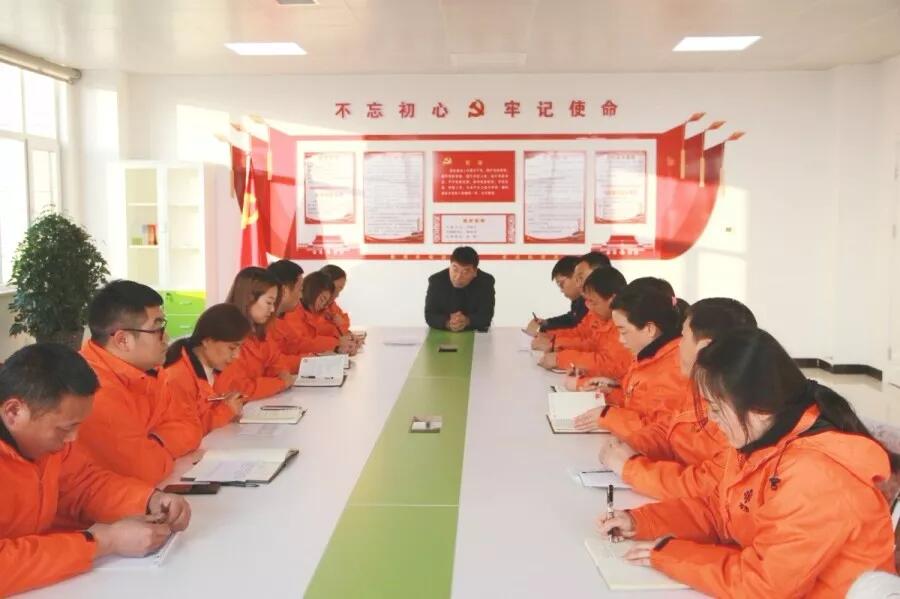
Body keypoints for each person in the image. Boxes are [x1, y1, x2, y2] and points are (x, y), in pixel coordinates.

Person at [598, 328, 897, 598]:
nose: (711, 418)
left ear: (759, 408)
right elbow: (719, 511)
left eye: (716, 408)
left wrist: (667, 553)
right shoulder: (759, 441)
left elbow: (762, 585)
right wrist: (642, 522)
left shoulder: (817, 475)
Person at [0, 343, 192, 596]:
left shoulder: (48, 445)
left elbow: (84, 484)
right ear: (13, 411)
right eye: (65, 428)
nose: (73, 438)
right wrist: (103, 541)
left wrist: (149, 500)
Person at [597, 298, 756, 500]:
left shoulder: (739, 416)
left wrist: (632, 468)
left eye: (683, 337)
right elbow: (669, 429)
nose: (678, 346)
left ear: (704, 348)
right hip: (669, 492)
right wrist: (631, 445)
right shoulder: (699, 385)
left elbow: (708, 486)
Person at [77, 280, 202, 484]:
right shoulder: (92, 389)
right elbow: (146, 470)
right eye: (157, 329)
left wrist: (154, 441)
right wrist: (163, 444)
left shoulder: (150, 372)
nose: (167, 337)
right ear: (123, 340)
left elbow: (192, 426)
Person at [573, 281, 688, 438]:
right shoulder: (650, 355)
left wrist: (607, 416)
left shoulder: (673, 369)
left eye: (623, 331)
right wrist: (610, 393)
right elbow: (640, 405)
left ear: (649, 329)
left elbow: (660, 433)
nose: (621, 340)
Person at [164, 304, 252, 434]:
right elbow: (185, 432)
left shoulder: (216, 367)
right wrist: (226, 411)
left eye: (240, 348)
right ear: (207, 341)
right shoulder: (177, 378)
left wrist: (229, 407)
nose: (237, 355)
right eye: (232, 348)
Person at [214, 267, 297, 400]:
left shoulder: (259, 331)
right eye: (269, 302)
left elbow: (277, 362)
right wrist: (280, 383)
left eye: (274, 303)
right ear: (249, 298)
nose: (272, 309)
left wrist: (281, 375)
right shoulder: (225, 335)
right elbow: (237, 388)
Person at [539, 266, 631, 381]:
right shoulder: (603, 316)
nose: (590, 308)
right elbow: (590, 342)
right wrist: (556, 342)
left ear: (612, 300)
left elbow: (610, 365)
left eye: (593, 302)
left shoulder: (624, 323)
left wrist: (562, 358)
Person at [531, 251, 610, 352]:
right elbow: (582, 333)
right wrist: (551, 337)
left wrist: (555, 346)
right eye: (577, 279)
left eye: (581, 278)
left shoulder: (619, 312)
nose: (579, 285)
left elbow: (596, 350)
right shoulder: (590, 305)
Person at [284, 271, 358, 355]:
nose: (323, 305)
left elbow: (318, 339)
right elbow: (301, 343)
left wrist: (340, 345)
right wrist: (337, 343)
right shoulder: (292, 311)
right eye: (322, 299)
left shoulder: (318, 310)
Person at [424, 246, 495, 332]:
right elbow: (430, 315)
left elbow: (486, 315)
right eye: (455, 269)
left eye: (465, 272)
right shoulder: (436, 281)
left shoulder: (486, 281)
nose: (458, 277)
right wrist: (448, 323)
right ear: (450, 266)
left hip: (475, 332)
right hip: (444, 331)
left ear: (475, 272)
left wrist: (466, 321)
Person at [523, 256, 584, 336]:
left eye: (562, 284)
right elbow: (570, 319)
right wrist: (547, 323)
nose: (561, 290)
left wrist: (549, 336)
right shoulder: (578, 301)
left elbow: (580, 333)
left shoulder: (589, 304)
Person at [266, 260, 309, 367]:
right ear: (284, 291)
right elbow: (273, 364)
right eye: (300, 290)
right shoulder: (262, 324)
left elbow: (297, 344)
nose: (301, 296)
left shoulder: (281, 317)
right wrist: (309, 362)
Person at [320, 264, 352, 337]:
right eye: (334, 288)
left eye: (340, 289)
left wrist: (341, 324)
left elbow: (345, 322)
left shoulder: (331, 305)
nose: (337, 295)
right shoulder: (302, 306)